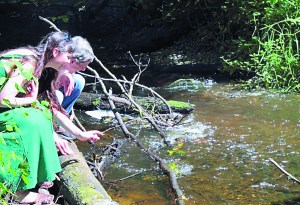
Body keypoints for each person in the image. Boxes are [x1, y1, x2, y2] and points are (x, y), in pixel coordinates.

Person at [0, 31, 101, 204]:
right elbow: (4, 99)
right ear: (56, 53)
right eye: (69, 58)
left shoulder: (41, 63)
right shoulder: (30, 62)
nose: (72, 62)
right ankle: (13, 187)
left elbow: (50, 104)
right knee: (31, 120)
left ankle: (37, 175)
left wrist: (80, 135)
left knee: (40, 115)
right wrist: (31, 100)